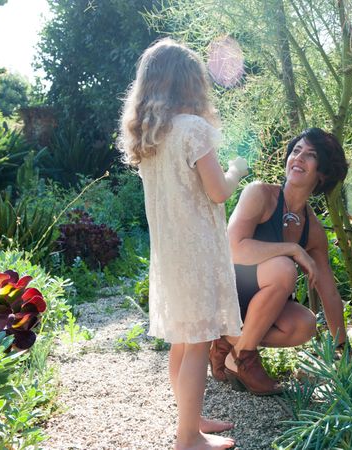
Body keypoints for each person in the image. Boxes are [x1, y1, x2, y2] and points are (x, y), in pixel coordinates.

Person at [118, 38, 248, 450]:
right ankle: (188, 437)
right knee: (198, 343)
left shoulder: (150, 140)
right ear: (191, 83)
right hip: (197, 252)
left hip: (169, 254)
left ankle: (191, 417)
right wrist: (236, 170)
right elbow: (217, 191)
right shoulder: (193, 130)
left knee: (183, 339)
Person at [209, 128, 349, 395]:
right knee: (284, 267)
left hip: (253, 307)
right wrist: (293, 249)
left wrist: (342, 346)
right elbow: (232, 250)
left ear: (323, 174)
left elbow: (328, 290)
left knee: (305, 325)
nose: (298, 158)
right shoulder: (259, 194)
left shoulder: (313, 229)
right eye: (296, 151)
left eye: (310, 155)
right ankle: (244, 358)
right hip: (221, 295)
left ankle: (230, 348)